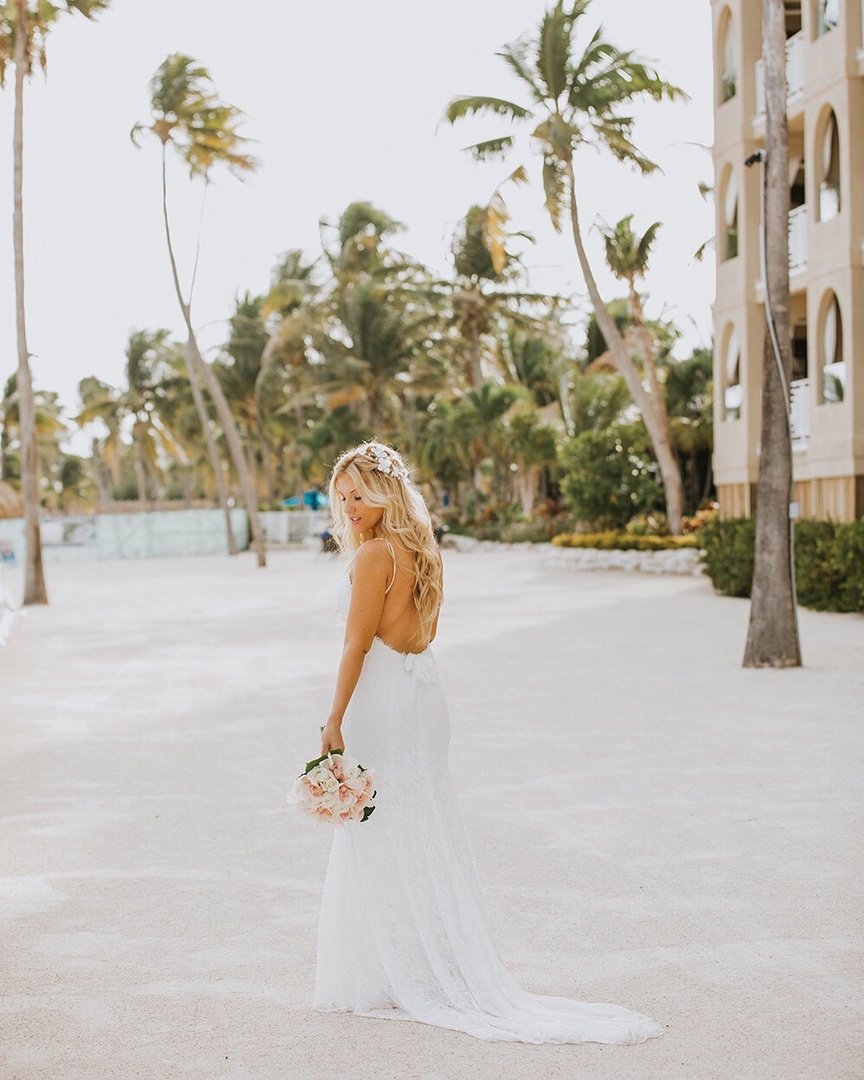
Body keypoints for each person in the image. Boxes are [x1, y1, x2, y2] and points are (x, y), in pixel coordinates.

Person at [313, 440, 664, 1045]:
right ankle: (424, 961)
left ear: (383, 493)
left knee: (376, 822)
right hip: (423, 694)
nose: (348, 507)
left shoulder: (374, 556)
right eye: (341, 497)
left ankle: (394, 972)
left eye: (358, 495)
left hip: (383, 699)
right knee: (419, 818)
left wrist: (333, 720)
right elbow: (421, 633)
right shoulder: (423, 549)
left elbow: (356, 646)